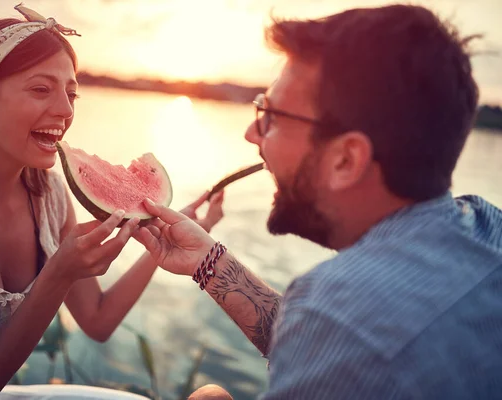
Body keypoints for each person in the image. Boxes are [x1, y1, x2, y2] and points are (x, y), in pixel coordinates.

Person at [133, 4, 502, 400]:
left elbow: (345, 334)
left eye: (269, 115)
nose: (250, 134)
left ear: (346, 160)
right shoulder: (487, 224)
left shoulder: (339, 316)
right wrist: (209, 261)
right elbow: (337, 342)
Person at [0, 4, 224, 400]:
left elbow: (98, 319)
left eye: (71, 94)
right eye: (41, 89)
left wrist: (167, 243)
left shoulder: (50, 197)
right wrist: (59, 273)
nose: (65, 110)